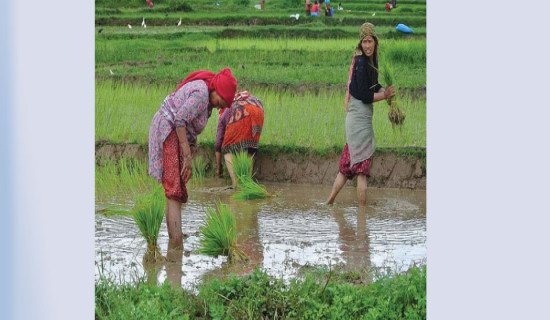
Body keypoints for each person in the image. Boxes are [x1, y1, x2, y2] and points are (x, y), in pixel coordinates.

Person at [148, 68, 237, 248]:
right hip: (169, 130)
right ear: (216, 90)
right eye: (222, 100)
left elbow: (191, 124)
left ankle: (175, 240)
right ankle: (176, 244)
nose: (222, 106)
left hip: (176, 133)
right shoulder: (201, 95)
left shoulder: (208, 103)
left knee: (176, 189)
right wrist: (187, 156)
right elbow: (180, 120)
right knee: (174, 190)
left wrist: (192, 144)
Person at [326, 22, 395, 207]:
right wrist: (384, 95)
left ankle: (329, 202)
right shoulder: (362, 62)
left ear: (375, 42)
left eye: (370, 41)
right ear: (360, 43)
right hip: (358, 119)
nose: (367, 45)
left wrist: (384, 90)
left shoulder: (371, 61)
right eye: (364, 42)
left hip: (360, 120)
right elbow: (365, 95)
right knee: (362, 170)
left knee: (347, 167)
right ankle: (362, 213)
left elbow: (372, 85)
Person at [215, 91, 264, 187]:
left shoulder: (224, 114)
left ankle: (235, 183)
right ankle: (247, 182)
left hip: (241, 111)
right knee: (250, 145)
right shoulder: (236, 99)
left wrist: (218, 168)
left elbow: (218, 144)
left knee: (227, 147)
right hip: (258, 110)